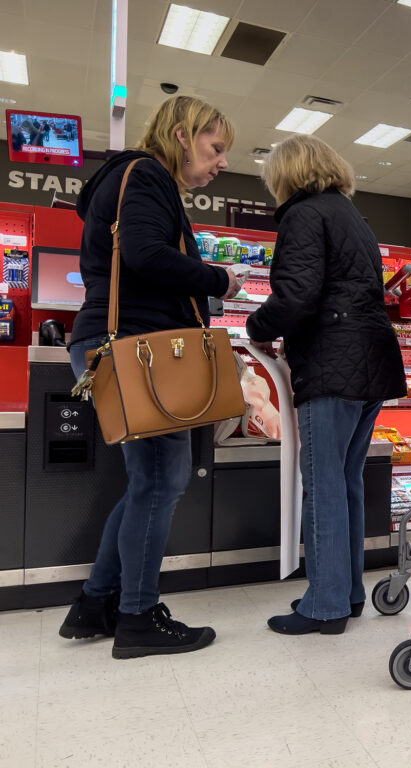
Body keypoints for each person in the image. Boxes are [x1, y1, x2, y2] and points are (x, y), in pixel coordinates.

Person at [60, 96, 242, 658]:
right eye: (216, 148)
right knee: (162, 482)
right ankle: (137, 618)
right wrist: (218, 279)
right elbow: (142, 253)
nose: (221, 163)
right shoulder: (146, 176)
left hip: (118, 343)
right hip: (140, 348)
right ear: (183, 136)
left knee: (149, 483)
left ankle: (96, 604)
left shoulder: (126, 180)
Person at [247, 134, 406, 635]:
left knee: (321, 487)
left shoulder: (303, 215)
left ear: (287, 174)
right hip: (372, 363)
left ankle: (325, 605)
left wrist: (255, 327)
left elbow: (296, 297)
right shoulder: (352, 218)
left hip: (332, 366)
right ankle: (348, 591)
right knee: (346, 482)